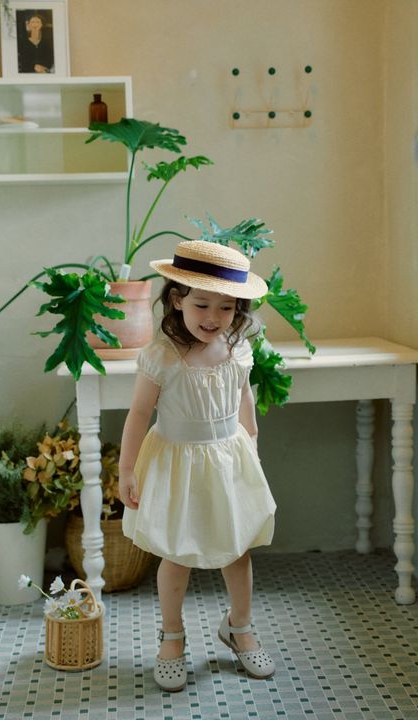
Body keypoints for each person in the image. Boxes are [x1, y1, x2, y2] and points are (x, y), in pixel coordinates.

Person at [119, 240, 277, 692]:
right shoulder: (162, 355)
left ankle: (239, 626)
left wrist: (252, 443)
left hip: (229, 459)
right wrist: (127, 470)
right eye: (202, 304)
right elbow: (138, 414)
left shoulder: (237, 348)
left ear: (238, 309)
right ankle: (172, 636)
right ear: (177, 300)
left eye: (226, 307)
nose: (213, 317)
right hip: (178, 463)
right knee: (177, 552)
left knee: (238, 549)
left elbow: (244, 398)